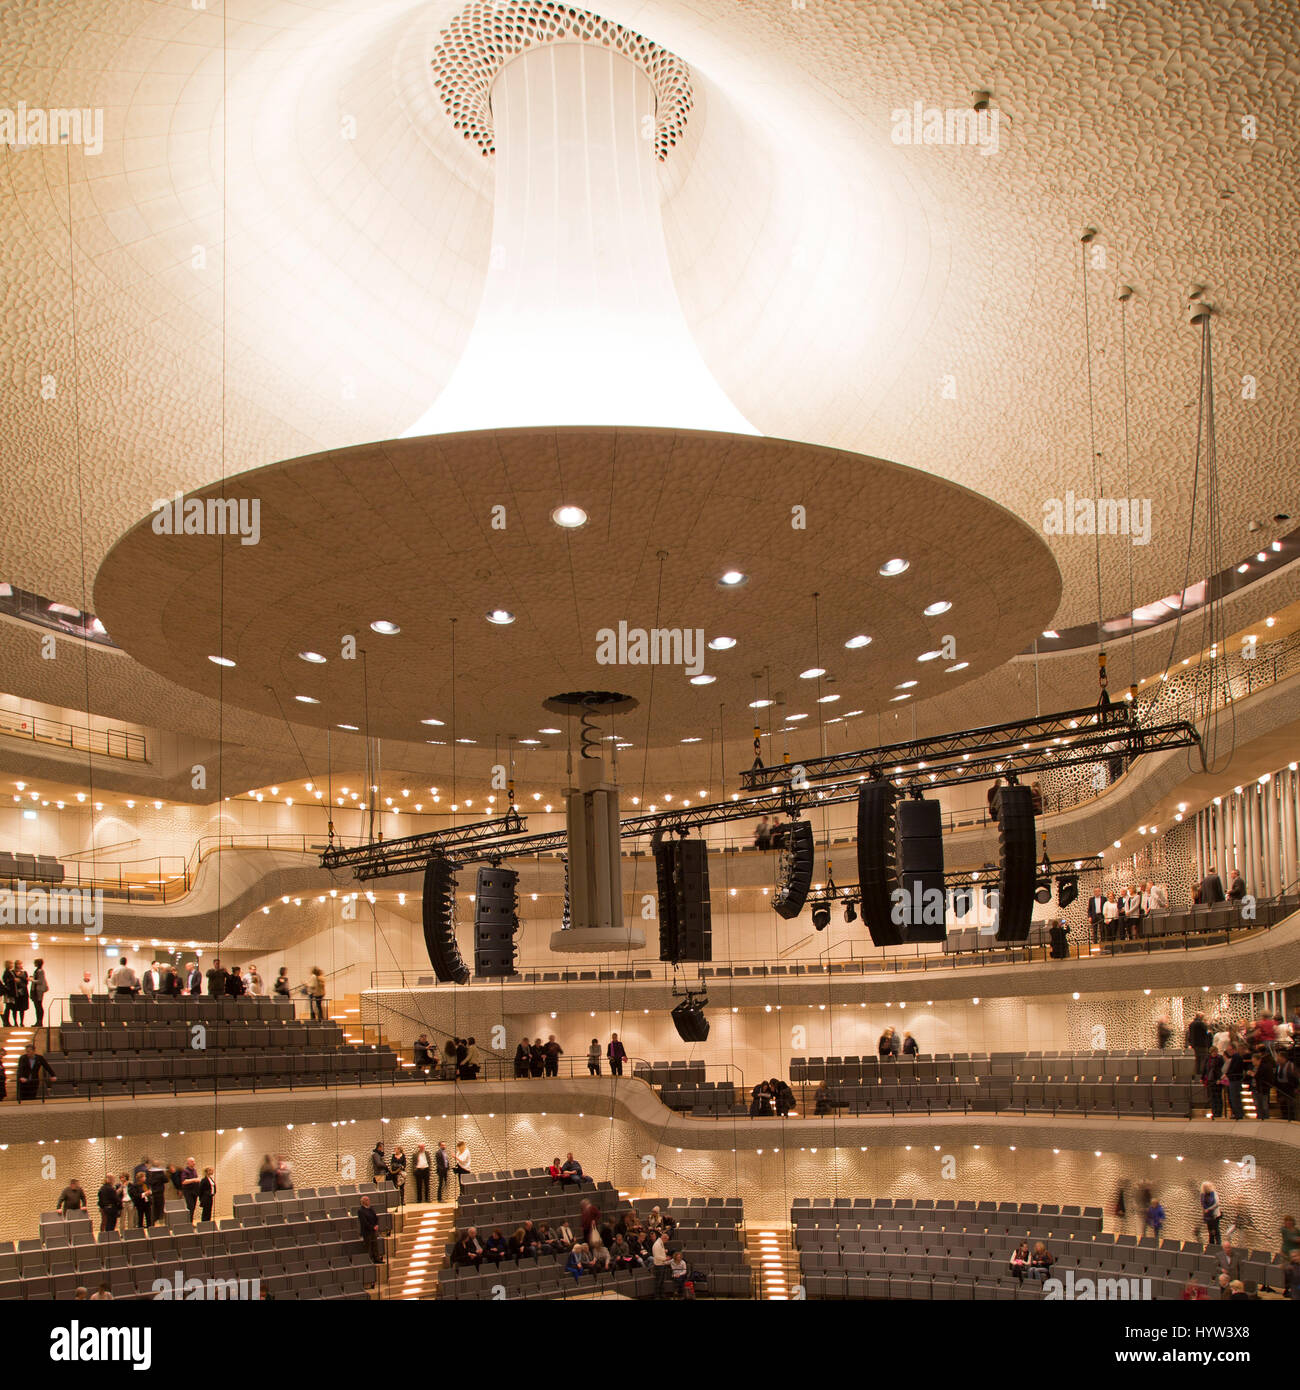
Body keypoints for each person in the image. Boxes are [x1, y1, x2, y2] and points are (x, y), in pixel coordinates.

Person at [1223, 1042, 1246, 1120]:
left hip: (1235, 1080)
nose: (1228, 1052)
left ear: (1233, 1049)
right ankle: (1237, 1113)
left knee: (1235, 1097)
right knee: (1233, 1098)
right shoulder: (1235, 1057)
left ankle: (1238, 1114)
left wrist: (1227, 1074)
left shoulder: (1237, 1057)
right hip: (1233, 1079)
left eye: (1229, 1050)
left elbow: (1234, 1068)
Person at [359, 1194, 383, 1263]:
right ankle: (368, 1260)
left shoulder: (370, 1208)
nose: (369, 1201)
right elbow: (364, 1222)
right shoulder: (361, 1211)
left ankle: (377, 1259)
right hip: (367, 1231)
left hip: (373, 1230)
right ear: (363, 1202)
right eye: (367, 1200)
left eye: (369, 1200)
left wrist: (376, 1225)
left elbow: (375, 1217)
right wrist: (372, 1227)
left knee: (375, 1245)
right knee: (368, 1246)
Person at [651, 1228, 670, 1297]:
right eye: (666, 1240)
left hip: (662, 1264)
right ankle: (657, 1295)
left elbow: (660, 1252)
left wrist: (664, 1251)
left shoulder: (660, 1243)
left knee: (661, 1281)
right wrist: (665, 1258)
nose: (666, 1242)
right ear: (664, 1238)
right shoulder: (657, 1244)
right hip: (659, 1266)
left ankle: (661, 1294)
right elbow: (656, 1256)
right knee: (658, 1281)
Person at [29, 959, 48, 1028]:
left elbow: (40, 981)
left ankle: (39, 1021)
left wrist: (32, 980)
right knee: (37, 1006)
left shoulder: (40, 971)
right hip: (37, 990)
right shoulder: (38, 970)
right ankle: (38, 1021)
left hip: (38, 990)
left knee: (38, 1006)